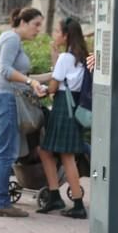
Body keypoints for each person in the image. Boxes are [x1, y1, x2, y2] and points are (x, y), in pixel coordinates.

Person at [0, 7, 47, 218]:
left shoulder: (9, 38)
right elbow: (5, 70)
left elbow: (12, 72)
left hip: (0, 98)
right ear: (23, 22)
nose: (38, 30)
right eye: (36, 24)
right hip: (5, 100)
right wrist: (30, 81)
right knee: (6, 154)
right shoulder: (11, 39)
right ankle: (1, 203)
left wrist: (38, 81)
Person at [36, 18, 88, 218]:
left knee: (65, 156)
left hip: (62, 109)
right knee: (47, 151)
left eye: (57, 31)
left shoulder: (66, 58)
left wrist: (43, 90)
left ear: (66, 35)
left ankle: (77, 204)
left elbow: (54, 87)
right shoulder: (81, 57)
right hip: (73, 109)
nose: (55, 34)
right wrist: (54, 51)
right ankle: (56, 195)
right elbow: (62, 74)